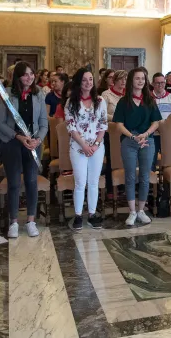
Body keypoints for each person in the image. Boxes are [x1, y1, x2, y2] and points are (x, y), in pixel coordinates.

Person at [0, 61, 49, 238]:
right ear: (18, 77)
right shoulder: (7, 95)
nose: (30, 77)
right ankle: (14, 222)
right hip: (12, 142)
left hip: (33, 143)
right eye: (25, 74)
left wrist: (37, 140)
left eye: (32, 74)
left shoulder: (39, 94)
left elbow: (43, 123)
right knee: (14, 183)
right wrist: (19, 136)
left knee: (32, 181)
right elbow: (0, 123)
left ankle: (31, 220)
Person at [113, 67, 162, 226]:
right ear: (131, 81)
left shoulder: (150, 100)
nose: (140, 81)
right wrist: (133, 136)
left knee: (145, 175)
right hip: (129, 140)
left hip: (147, 140)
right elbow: (119, 125)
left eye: (143, 78)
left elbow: (156, 122)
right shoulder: (123, 101)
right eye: (137, 78)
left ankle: (141, 210)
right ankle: (132, 211)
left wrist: (145, 134)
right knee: (130, 175)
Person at [66, 69, 108, 231]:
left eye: (90, 79)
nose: (88, 83)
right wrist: (84, 145)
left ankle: (91, 214)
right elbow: (71, 126)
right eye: (84, 80)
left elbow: (103, 125)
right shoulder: (71, 102)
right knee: (80, 182)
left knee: (93, 182)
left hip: (97, 147)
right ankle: (77, 215)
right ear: (78, 82)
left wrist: (95, 145)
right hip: (78, 147)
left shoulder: (100, 100)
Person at [101, 70, 127, 194]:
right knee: (112, 159)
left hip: (125, 131)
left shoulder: (128, 95)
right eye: (121, 79)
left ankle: (123, 185)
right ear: (115, 80)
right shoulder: (106, 95)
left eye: (125, 79)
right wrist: (118, 118)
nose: (123, 82)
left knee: (125, 158)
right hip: (110, 132)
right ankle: (111, 188)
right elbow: (102, 114)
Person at [151, 72, 171, 171]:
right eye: (157, 83)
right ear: (153, 84)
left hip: (167, 134)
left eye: (162, 82)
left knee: (168, 160)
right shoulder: (148, 98)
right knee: (151, 159)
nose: (160, 85)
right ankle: (151, 183)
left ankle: (166, 184)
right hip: (152, 134)